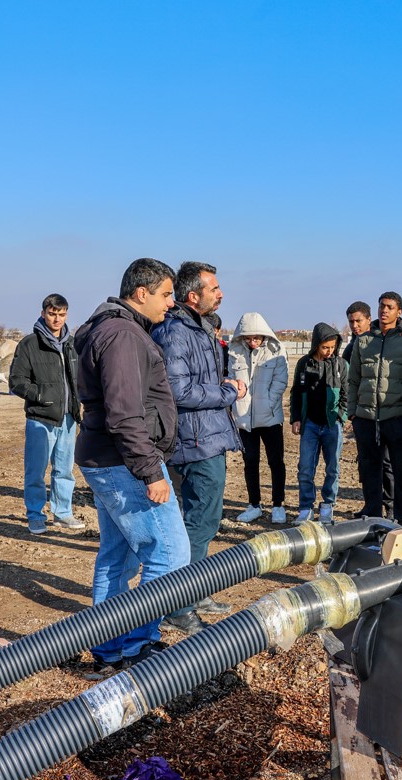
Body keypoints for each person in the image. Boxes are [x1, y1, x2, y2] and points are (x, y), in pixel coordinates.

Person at [72, 258, 186, 670]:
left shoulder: (111, 329)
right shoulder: (122, 335)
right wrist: (151, 471)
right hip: (126, 462)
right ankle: (139, 645)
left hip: (106, 457)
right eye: (166, 294)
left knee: (116, 557)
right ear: (141, 293)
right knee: (169, 555)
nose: (171, 303)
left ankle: (107, 649)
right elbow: (124, 413)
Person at [151, 261, 243, 634]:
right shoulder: (176, 333)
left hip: (206, 437)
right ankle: (179, 604)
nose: (221, 293)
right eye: (215, 288)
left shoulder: (200, 329)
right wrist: (226, 392)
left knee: (206, 520)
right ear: (194, 296)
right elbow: (178, 390)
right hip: (194, 441)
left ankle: (196, 589)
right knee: (198, 523)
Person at [9, 293, 84, 535]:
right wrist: (41, 395)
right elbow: (16, 382)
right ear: (43, 313)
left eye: (62, 315)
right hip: (41, 419)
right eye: (52, 314)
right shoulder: (30, 345)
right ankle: (35, 515)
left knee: (64, 470)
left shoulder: (72, 345)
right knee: (36, 471)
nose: (57, 319)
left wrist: (79, 403)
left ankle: (63, 514)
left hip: (68, 418)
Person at [348, 291, 402, 525]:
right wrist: (352, 412)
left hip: (397, 418)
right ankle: (372, 517)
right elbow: (354, 380)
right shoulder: (363, 341)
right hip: (366, 418)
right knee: (369, 471)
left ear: (399, 311)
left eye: (389, 306)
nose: (384, 310)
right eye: (381, 306)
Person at [229, 312, 289, 525]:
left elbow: (281, 381)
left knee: (275, 461)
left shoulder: (276, 351)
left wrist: (268, 403)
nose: (252, 342)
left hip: (271, 418)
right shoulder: (234, 352)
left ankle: (278, 505)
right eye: (248, 337)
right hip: (245, 420)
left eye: (256, 337)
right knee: (250, 461)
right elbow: (230, 380)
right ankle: (254, 504)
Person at [290, 323, 348, 524]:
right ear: (316, 345)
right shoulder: (304, 364)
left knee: (332, 467)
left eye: (332, 347)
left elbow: (346, 394)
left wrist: (341, 416)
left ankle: (327, 505)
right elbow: (296, 392)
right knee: (306, 467)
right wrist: (296, 417)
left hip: (333, 425)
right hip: (310, 425)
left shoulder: (341, 365)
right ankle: (306, 507)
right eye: (325, 347)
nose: (329, 351)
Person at [343, 300, 393, 514]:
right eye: (351, 321)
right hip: (363, 415)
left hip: (387, 412)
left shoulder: (379, 340)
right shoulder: (350, 347)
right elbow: (349, 381)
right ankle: (371, 507)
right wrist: (351, 412)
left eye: (358, 321)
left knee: (388, 463)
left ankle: (391, 506)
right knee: (366, 463)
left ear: (368, 319)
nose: (354, 325)